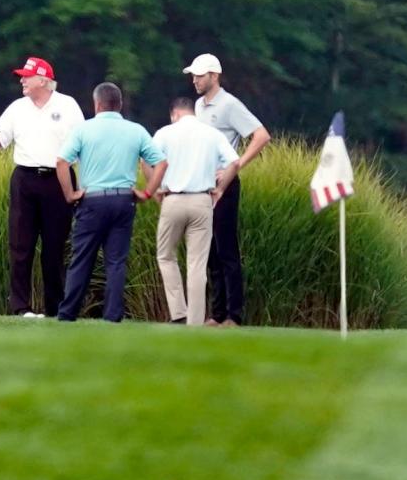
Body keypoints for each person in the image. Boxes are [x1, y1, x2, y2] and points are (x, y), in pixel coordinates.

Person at [0, 56, 84, 318]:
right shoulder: (17, 108)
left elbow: (83, 145)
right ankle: (20, 307)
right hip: (25, 179)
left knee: (55, 247)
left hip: (58, 180)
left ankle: (56, 308)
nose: (22, 81)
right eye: (22, 76)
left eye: (27, 76)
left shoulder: (67, 105)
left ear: (44, 80)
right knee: (20, 245)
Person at [56, 82, 167, 323]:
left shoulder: (83, 130)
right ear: (120, 104)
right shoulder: (135, 130)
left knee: (82, 257)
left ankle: (68, 313)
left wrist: (70, 194)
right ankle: (113, 315)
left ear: (96, 104)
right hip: (123, 200)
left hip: (92, 200)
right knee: (116, 261)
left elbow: (62, 162)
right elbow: (161, 163)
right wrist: (147, 192)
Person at [184, 53, 271, 326]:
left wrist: (236, 165)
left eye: (200, 75)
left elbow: (261, 135)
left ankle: (234, 315)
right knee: (209, 251)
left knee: (226, 251)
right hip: (203, 185)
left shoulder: (230, 104)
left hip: (225, 184)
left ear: (214, 76)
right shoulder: (198, 106)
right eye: (193, 75)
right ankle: (216, 313)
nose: (195, 80)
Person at [151, 97, 240, 325]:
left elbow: (147, 159)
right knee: (197, 264)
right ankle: (195, 320)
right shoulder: (212, 134)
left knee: (166, 255)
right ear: (192, 112)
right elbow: (235, 162)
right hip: (203, 200)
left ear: (175, 114)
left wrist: (156, 188)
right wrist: (220, 189)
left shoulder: (164, 133)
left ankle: (178, 311)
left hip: (172, 199)